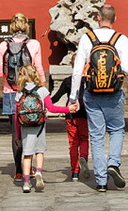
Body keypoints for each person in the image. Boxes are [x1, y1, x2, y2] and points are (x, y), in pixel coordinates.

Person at [69, 4, 128, 192]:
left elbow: (77, 69)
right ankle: (113, 163)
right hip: (114, 93)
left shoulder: (87, 38)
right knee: (117, 130)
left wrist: (74, 97)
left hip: (92, 92)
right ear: (115, 18)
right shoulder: (121, 39)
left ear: (98, 17)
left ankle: (101, 181)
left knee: (96, 135)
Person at [0, 13, 46, 181]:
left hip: (10, 92)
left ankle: (18, 170)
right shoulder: (34, 44)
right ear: (26, 26)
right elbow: (38, 67)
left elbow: (0, 72)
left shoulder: (3, 45)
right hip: (30, 92)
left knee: (15, 131)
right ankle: (30, 166)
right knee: (30, 126)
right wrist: (42, 87)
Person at [14, 64, 77, 193]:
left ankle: (26, 182)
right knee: (39, 151)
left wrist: (18, 135)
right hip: (39, 126)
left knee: (27, 154)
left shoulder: (20, 93)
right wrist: (67, 109)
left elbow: (16, 115)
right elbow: (52, 108)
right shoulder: (42, 91)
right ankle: (38, 172)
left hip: (25, 128)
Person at [52, 54, 90, 182]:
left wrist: (45, 103)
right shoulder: (88, 81)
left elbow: (56, 97)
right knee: (84, 139)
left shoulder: (68, 81)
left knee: (73, 143)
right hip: (84, 114)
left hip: (70, 114)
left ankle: (74, 172)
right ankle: (83, 157)